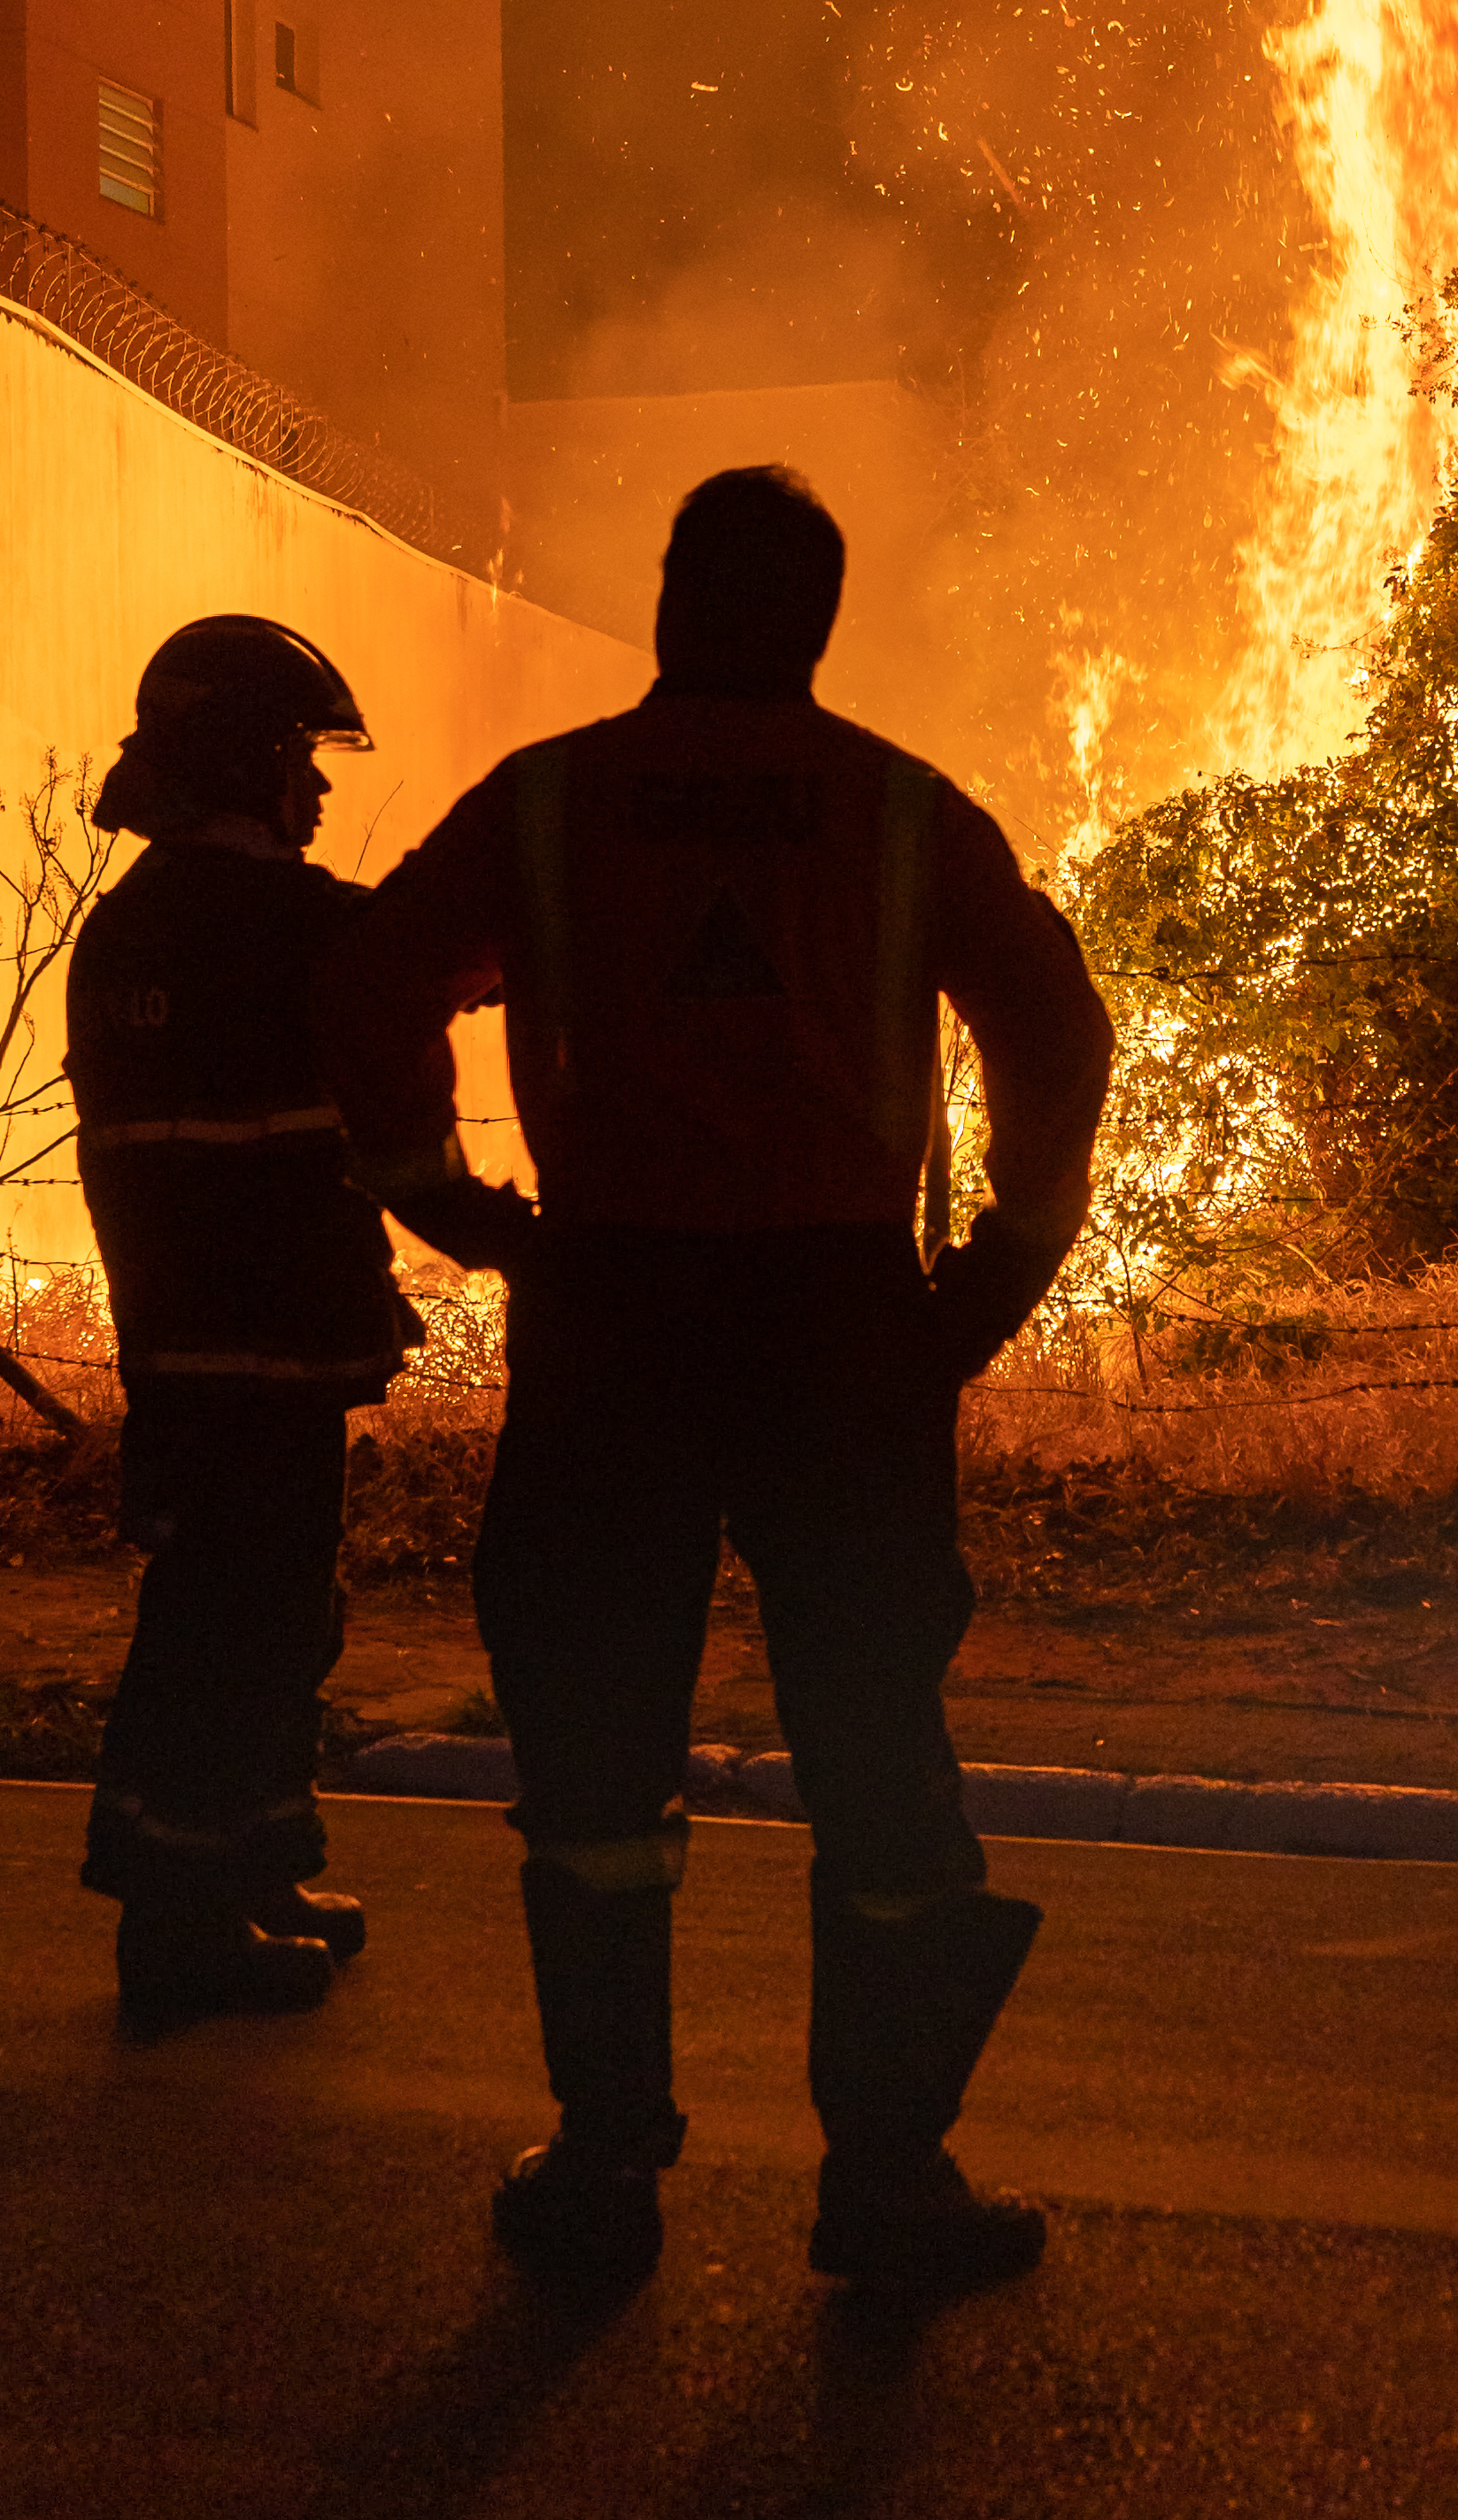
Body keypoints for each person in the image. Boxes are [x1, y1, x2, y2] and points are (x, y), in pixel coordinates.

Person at [323, 467, 1114, 2289]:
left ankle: (605, 2164)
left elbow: (368, 975)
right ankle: (890, 2179)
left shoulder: (554, 804)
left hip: (610, 1317)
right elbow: (1052, 1022)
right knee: (876, 1747)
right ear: (818, 616)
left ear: (673, 592)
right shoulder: (899, 811)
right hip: (841, 1326)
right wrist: (994, 1269)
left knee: (595, 1750)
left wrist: (448, 1204)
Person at [70, 614, 523, 2032]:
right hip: (258, 1337)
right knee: (237, 1627)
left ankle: (247, 1875)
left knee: (259, 1614)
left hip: (193, 1340)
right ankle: (181, 1926)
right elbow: (432, 957)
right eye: (298, 759)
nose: (317, 789)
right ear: (246, 760)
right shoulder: (281, 925)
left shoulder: (138, 921)